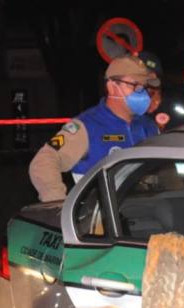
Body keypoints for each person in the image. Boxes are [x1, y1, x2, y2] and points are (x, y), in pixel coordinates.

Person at [28, 55, 157, 202]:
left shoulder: (149, 127)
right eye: (135, 85)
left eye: (144, 87)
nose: (142, 93)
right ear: (112, 86)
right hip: (103, 219)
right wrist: (57, 205)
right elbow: (44, 161)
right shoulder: (85, 126)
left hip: (148, 214)